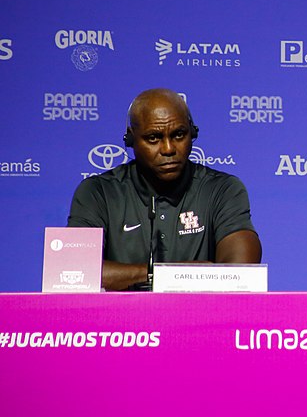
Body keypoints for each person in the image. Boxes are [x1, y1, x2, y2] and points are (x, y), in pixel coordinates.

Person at [68, 88, 262, 290]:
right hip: (120, 318)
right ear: (131, 140)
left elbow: (242, 273)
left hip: (199, 318)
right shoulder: (98, 192)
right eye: (153, 138)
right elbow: (74, 272)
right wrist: (167, 274)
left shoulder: (222, 190)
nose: (168, 149)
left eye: (179, 135)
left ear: (192, 132)